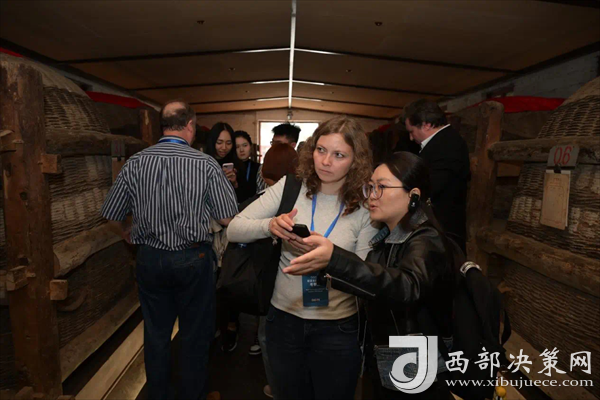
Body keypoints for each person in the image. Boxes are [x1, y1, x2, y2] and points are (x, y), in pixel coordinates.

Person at [284, 152, 457, 400]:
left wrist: (335, 259)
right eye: (371, 187)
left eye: (381, 187)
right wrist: (326, 264)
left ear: (413, 195)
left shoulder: (426, 239)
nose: (372, 196)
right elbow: (374, 281)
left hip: (415, 362)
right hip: (389, 357)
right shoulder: (387, 238)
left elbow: (406, 286)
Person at [227, 116, 378, 400]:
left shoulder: (365, 203)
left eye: (339, 155)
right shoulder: (291, 186)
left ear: (355, 161)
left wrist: (330, 258)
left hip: (337, 327)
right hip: (284, 321)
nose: (326, 161)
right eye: (321, 150)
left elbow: (365, 275)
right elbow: (234, 229)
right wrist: (270, 226)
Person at [101, 101, 238, 400]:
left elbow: (111, 214)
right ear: (190, 125)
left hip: (150, 258)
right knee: (195, 335)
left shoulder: (135, 162)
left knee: (156, 334)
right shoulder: (206, 164)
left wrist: (127, 232)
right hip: (194, 258)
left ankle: (159, 395)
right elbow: (228, 218)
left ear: (163, 125)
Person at [254, 143, 300, 398]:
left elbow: (235, 227)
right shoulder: (302, 196)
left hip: (270, 279)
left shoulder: (267, 197)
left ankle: (278, 387)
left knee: (268, 336)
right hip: (293, 284)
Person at [404, 99, 470, 252]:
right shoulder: (442, 142)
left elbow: (432, 187)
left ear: (426, 124)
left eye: (412, 131)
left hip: (443, 232)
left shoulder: (447, 145)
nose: (411, 138)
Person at [235, 130, 267, 203]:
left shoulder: (258, 168)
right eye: (237, 147)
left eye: (245, 145)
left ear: (251, 146)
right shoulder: (229, 169)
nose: (241, 150)